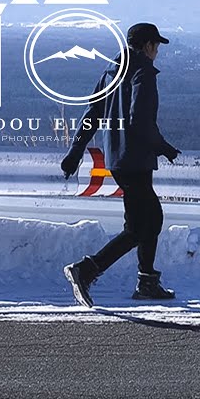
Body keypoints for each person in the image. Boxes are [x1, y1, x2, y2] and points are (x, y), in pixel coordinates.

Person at [59, 22, 182, 307]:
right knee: (143, 224)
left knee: (146, 220)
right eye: (156, 46)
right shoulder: (143, 72)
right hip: (136, 159)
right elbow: (141, 119)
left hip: (117, 159)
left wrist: (75, 151)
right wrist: (163, 147)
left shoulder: (110, 71)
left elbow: (93, 113)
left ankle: (147, 281)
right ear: (148, 46)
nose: (157, 53)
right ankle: (87, 270)